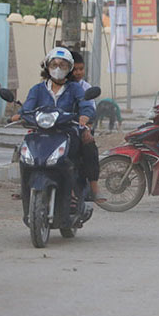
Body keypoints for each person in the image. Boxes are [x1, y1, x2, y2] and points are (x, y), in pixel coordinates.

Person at [12, 47, 97, 219]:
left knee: (74, 157)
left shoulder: (75, 89)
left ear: (69, 69)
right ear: (47, 67)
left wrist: (85, 116)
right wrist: (19, 115)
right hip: (41, 134)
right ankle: (26, 188)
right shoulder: (37, 89)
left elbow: (86, 105)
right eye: (54, 64)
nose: (58, 68)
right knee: (24, 152)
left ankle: (75, 190)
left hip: (67, 134)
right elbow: (28, 106)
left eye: (63, 65)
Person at [69, 50, 105, 203]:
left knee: (90, 148)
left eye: (80, 69)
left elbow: (90, 110)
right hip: (56, 128)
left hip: (78, 128)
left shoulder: (85, 87)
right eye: (74, 69)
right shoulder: (50, 86)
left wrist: (86, 127)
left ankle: (94, 189)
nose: (78, 72)